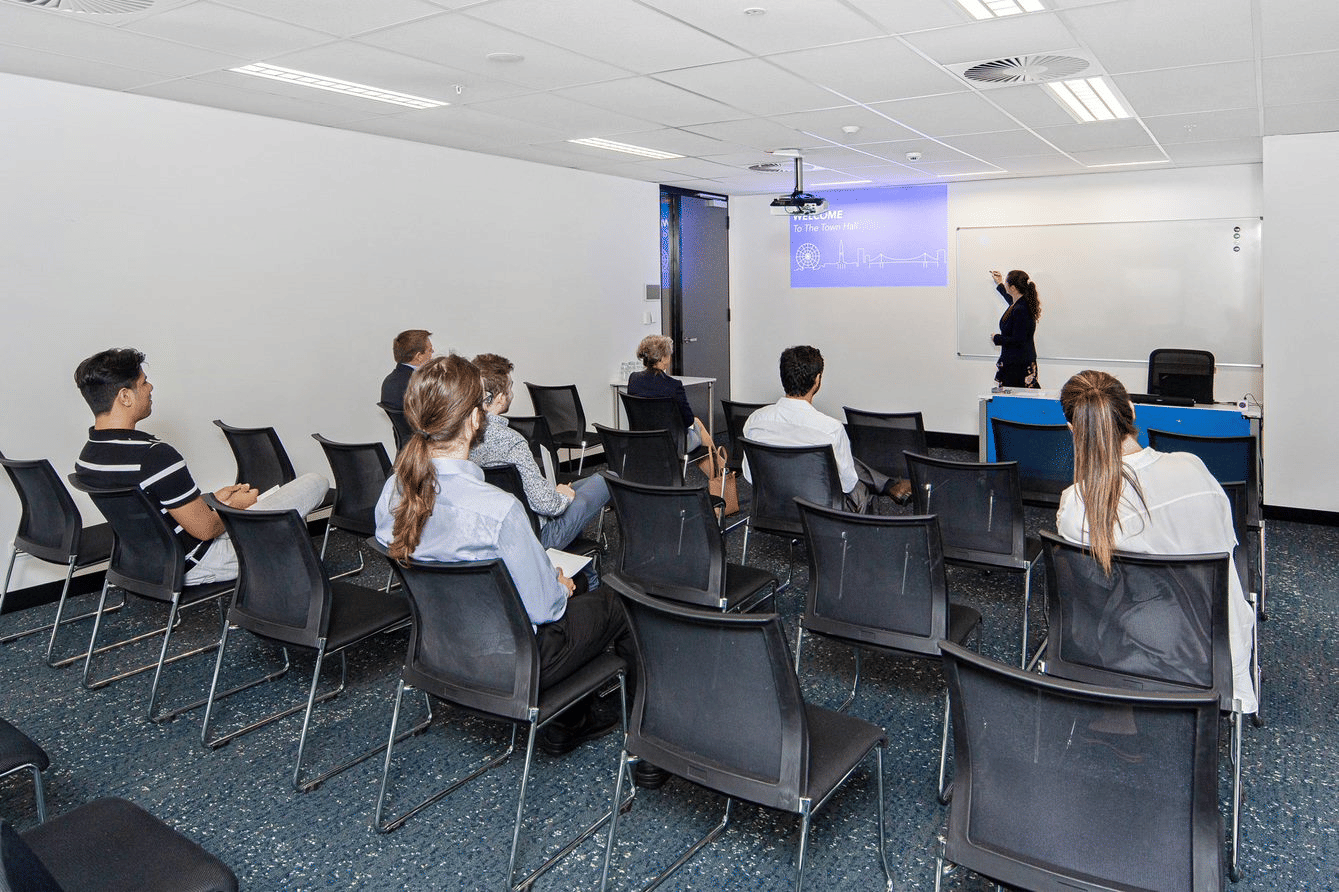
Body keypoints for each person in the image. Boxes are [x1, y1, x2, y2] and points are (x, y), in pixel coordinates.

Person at [373, 354, 662, 782]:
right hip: (516, 660)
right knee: (621, 597)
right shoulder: (497, 511)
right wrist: (560, 584)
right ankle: (646, 746)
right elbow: (545, 610)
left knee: (569, 586)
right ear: (475, 420)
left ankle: (572, 714)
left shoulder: (393, 493)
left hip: (440, 648)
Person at [1055, 370, 1257, 714]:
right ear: (1132, 411)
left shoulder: (1077, 505)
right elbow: (1227, 544)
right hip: (1219, 655)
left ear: (1074, 431)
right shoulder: (1193, 469)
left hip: (1134, 660)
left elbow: (1090, 590)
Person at [73, 348, 328, 585]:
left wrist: (216, 501)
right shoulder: (154, 456)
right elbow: (207, 530)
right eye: (143, 382)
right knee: (315, 482)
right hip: (201, 562)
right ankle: (293, 578)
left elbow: (152, 513)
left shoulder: (88, 456)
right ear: (125, 396)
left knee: (263, 505)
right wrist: (236, 507)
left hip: (149, 564)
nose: (150, 388)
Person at [743, 345, 911, 512]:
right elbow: (848, 485)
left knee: (838, 458)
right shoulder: (831, 429)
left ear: (783, 377)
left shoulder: (755, 421)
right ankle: (884, 495)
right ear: (817, 380)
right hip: (820, 513)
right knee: (858, 488)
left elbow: (749, 475)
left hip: (773, 507)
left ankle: (888, 485)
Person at [469, 353, 609, 551]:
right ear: (500, 398)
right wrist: (563, 497)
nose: (511, 393)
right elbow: (547, 506)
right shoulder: (511, 441)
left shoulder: (460, 436)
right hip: (536, 535)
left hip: (492, 531)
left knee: (581, 484)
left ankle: (584, 571)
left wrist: (558, 493)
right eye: (510, 388)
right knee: (605, 479)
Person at [626, 335, 706, 453]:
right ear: (662, 358)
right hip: (672, 444)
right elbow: (688, 420)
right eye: (669, 354)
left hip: (642, 441)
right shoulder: (674, 386)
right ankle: (720, 468)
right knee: (698, 426)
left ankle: (720, 468)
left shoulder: (634, 379)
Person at [989, 269, 1041, 389]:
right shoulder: (1019, 304)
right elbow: (1009, 298)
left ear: (1012, 288)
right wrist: (1000, 283)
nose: (1005, 284)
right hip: (1017, 362)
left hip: (1019, 365)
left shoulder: (1021, 309)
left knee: (1021, 400)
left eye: (1007, 282)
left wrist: (997, 338)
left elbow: (1018, 340)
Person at [380, 329, 433, 410]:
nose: (433, 352)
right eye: (430, 350)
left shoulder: (388, 381)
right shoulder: (419, 385)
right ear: (419, 356)